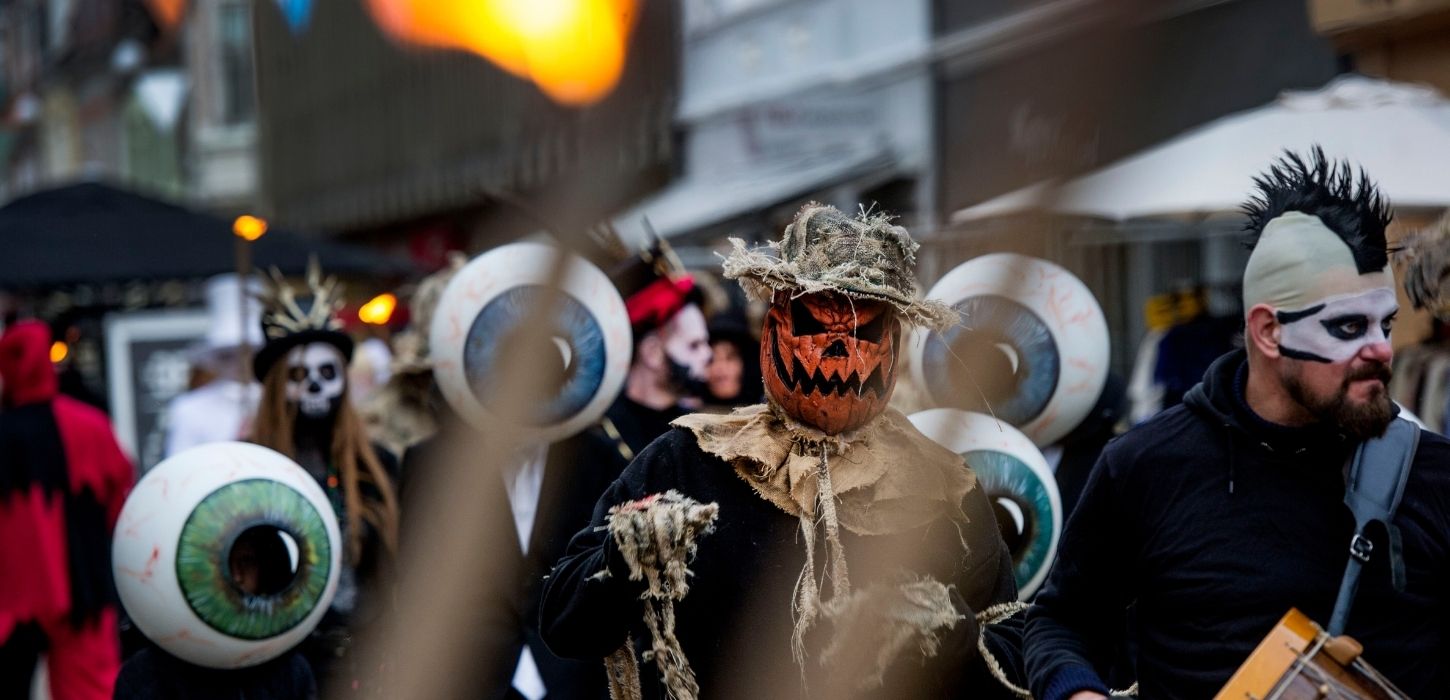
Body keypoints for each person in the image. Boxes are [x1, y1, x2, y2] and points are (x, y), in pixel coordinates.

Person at [541, 204, 1026, 699]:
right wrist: (625, 559)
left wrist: (951, 635)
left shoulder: (942, 488)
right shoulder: (689, 461)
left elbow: (1013, 658)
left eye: (863, 332)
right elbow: (562, 622)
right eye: (816, 324)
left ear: (893, 342)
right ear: (773, 329)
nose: (839, 351)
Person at [1024, 148, 1450, 698]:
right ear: (1269, 331)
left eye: (1385, 324)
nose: (1381, 349)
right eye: (1348, 327)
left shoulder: (1434, 475)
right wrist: (1077, 692)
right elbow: (1061, 621)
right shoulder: (1146, 466)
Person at [249, 263, 401, 694]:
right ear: (277, 387)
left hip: (366, 661)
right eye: (298, 377)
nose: (315, 388)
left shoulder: (377, 467)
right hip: (284, 663)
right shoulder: (250, 471)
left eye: (327, 374)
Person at [0, 321, 135, 700]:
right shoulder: (89, 425)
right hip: (84, 585)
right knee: (90, 687)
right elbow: (120, 502)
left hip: (14, 592)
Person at [113, 531, 317, 700]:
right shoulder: (146, 673)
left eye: (246, 561)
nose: (236, 576)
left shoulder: (291, 671)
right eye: (223, 562)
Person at [165, 274, 263, 457]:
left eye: (249, 354)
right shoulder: (189, 409)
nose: (240, 364)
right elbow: (180, 464)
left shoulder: (279, 402)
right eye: (227, 356)